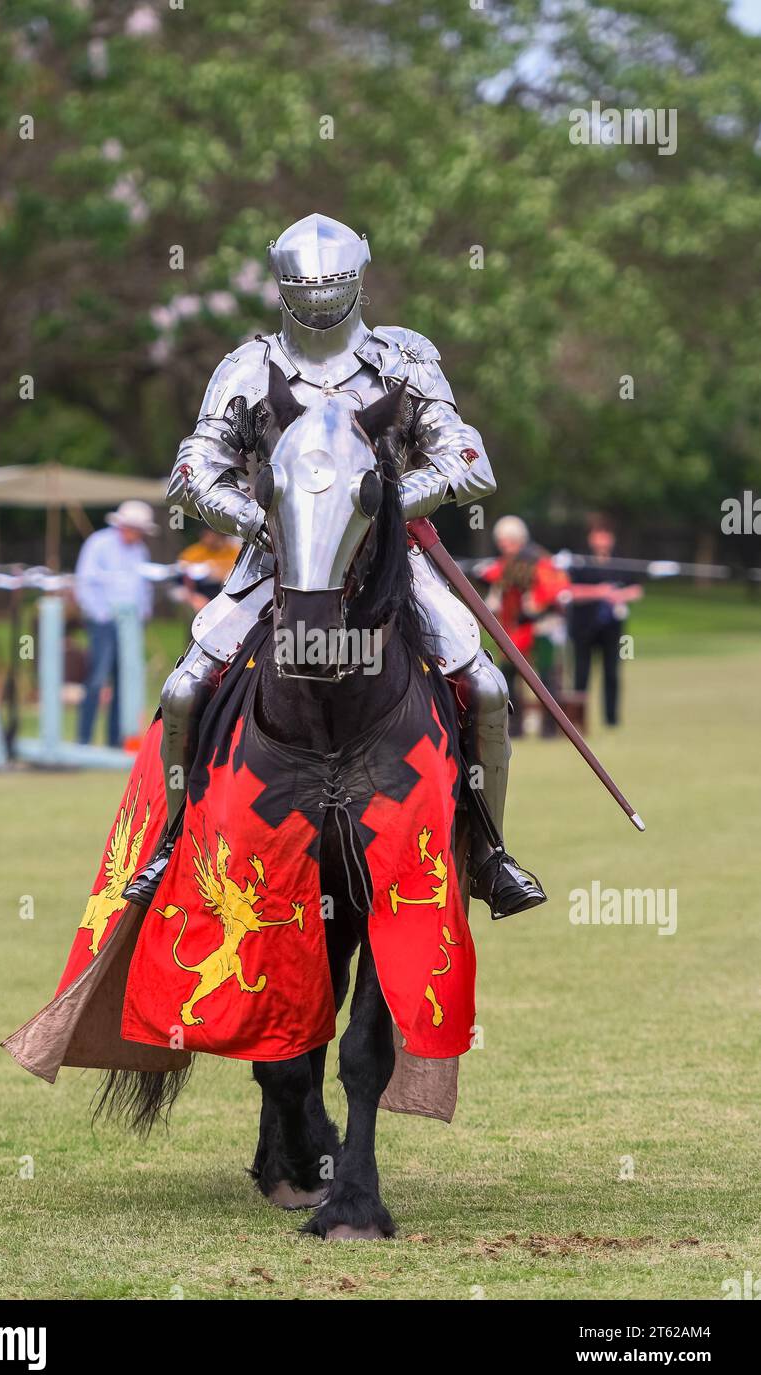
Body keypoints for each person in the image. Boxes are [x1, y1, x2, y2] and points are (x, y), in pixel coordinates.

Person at [124, 212, 545, 919]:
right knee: (184, 691)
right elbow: (193, 471)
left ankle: (488, 853)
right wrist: (264, 517)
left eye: (333, 287)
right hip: (278, 558)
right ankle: (174, 841)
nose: (320, 304)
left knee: (487, 686)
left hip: (388, 560)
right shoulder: (250, 364)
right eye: (306, 290)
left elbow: (468, 461)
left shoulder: (403, 358)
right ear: (283, 286)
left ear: (360, 280)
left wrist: (385, 504)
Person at [74, 500, 157, 747]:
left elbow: (144, 588)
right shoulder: (99, 543)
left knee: (124, 679)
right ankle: (84, 739)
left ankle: (114, 740)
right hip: (103, 621)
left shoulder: (141, 551)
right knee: (98, 677)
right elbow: (85, 582)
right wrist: (101, 615)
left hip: (130, 623)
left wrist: (142, 616)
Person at [479, 516, 571, 737]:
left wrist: (537, 604)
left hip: (542, 628)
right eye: (502, 541)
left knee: (547, 677)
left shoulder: (539, 561)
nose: (504, 546)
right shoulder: (503, 565)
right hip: (514, 630)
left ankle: (549, 729)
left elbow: (556, 589)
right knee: (508, 676)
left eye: (509, 541)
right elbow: (494, 589)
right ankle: (516, 727)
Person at [567, 516, 644, 727]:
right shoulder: (580, 562)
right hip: (583, 626)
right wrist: (599, 592)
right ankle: (578, 719)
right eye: (597, 535)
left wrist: (620, 595)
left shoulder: (622, 562)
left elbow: (637, 590)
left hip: (612, 627)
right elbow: (570, 592)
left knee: (612, 672)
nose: (602, 540)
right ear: (591, 538)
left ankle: (611, 719)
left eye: (605, 535)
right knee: (581, 674)